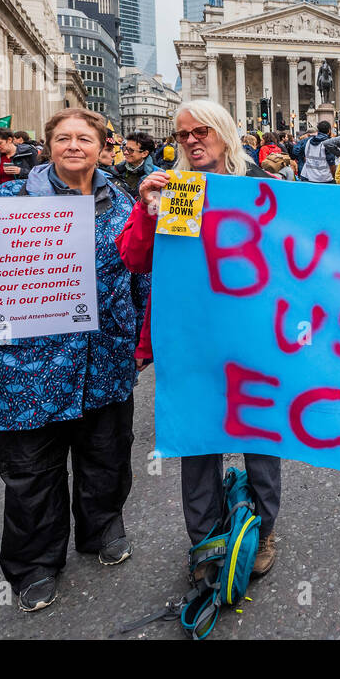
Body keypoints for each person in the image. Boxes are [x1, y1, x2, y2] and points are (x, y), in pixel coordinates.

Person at [0, 109, 147, 612]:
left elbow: (140, 275)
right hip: (26, 366)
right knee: (32, 470)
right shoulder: (6, 201)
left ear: (104, 147)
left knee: (106, 456)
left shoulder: (124, 204)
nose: (74, 146)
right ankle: (35, 563)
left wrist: (143, 339)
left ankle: (102, 528)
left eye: (85, 138)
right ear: (49, 146)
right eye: (63, 138)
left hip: (106, 359)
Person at [119, 101, 283, 591]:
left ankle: (263, 530)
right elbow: (135, 259)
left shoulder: (262, 187)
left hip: (253, 337)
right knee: (197, 440)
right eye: (182, 134)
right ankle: (207, 541)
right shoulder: (171, 189)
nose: (191, 140)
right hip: (191, 339)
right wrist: (147, 210)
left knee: (260, 438)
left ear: (225, 132)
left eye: (201, 131)